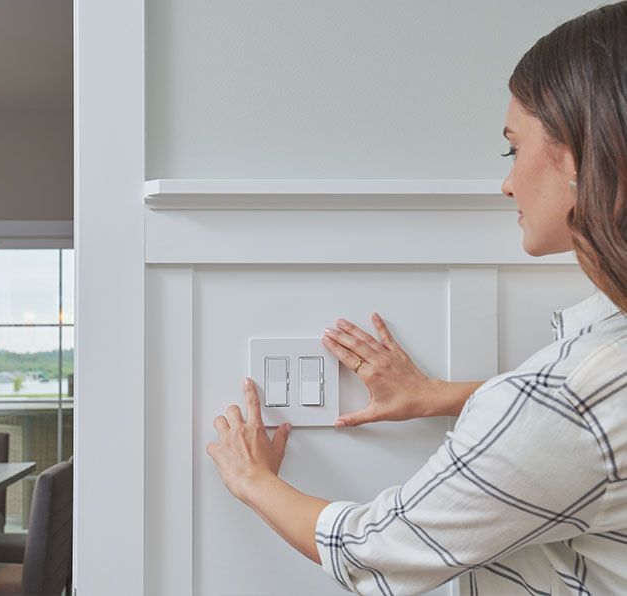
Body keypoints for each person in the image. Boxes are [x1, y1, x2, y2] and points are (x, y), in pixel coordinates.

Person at [206, 2, 627, 594]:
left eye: (514, 147)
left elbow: (374, 550)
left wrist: (252, 480)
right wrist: (438, 396)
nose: (507, 181)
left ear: (581, 153)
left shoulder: (570, 399)